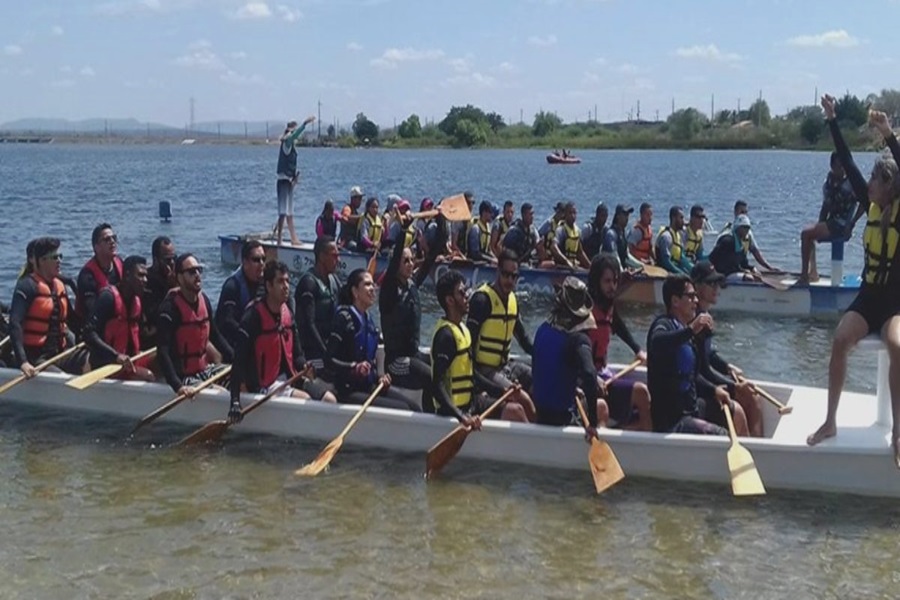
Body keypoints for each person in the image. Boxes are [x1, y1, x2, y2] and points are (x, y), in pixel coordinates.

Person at [807, 99, 900, 465]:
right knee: (841, 338)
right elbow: (845, 159)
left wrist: (888, 133)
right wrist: (832, 120)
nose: (869, 182)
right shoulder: (870, 202)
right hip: (868, 298)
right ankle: (830, 421)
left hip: (896, 303)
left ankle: (898, 432)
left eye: (876, 178)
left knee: (897, 345)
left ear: (890, 186)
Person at [228, 261, 336, 423]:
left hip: (289, 378)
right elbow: (238, 361)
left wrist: (305, 366)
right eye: (280, 281)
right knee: (305, 399)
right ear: (269, 286)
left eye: (287, 281)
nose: (286, 286)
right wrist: (235, 401)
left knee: (330, 399)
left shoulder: (288, 314)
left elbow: (298, 355)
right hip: (263, 385)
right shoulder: (252, 317)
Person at [647, 275, 748, 435]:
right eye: (690, 296)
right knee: (722, 436)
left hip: (691, 408)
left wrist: (714, 390)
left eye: (695, 296)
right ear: (675, 301)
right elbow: (657, 342)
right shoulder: (663, 325)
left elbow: (693, 377)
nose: (696, 300)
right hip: (672, 420)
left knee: (737, 412)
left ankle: (755, 458)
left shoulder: (687, 333)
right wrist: (691, 329)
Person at [431, 270, 527, 427]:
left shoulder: (463, 329)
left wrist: (501, 391)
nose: (467, 296)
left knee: (515, 408)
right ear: (450, 300)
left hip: (471, 403)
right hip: (453, 411)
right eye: (461, 293)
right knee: (514, 412)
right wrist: (462, 417)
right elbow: (437, 386)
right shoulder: (446, 336)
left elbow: (472, 374)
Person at [326, 269, 420, 411]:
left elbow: (371, 364)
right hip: (347, 390)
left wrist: (380, 378)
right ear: (355, 292)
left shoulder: (369, 321)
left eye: (373, 285)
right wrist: (353, 367)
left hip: (368, 386)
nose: (373, 289)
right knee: (404, 408)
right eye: (367, 285)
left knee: (414, 407)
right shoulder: (344, 319)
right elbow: (329, 361)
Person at [691, 260, 762, 436]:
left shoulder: (704, 314)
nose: (717, 288)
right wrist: (734, 386)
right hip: (699, 387)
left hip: (705, 378)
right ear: (697, 287)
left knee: (753, 396)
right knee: (750, 398)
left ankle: (756, 443)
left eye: (718, 283)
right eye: (711, 283)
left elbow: (708, 354)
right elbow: (701, 369)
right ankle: (757, 448)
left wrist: (727, 367)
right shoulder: (695, 320)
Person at [586, 254, 652, 431]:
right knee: (641, 393)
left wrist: (637, 349)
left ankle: (627, 432)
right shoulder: (584, 311)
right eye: (607, 281)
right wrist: (593, 378)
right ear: (596, 281)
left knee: (650, 394)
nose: (612, 287)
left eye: (615, 281)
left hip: (603, 374)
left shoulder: (608, 306)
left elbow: (617, 324)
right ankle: (646, 442)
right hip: (586, 381)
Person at [467, 250, 535, 419]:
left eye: (514, 276)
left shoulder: (513, 300)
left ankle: (540, 426)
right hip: (484, 370)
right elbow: (467, 347)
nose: (510, 281)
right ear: (498, 272)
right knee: (523, 399)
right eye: (506, 275)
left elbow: (525, 341)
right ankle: (535, 437)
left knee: (539, 380)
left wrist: (548, 357)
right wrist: (480, 384)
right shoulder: (482, 301)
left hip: (505, 366)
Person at [379, 213, 437, 410]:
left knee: (441, 365)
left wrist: (443, 223)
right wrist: (403, 230)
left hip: (413, 355)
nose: (411, 264)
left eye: (412, 260)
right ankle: (429, 419)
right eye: (406, 261)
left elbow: (432, 257)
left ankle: (438, 411)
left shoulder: (412, 285)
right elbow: (394, 259)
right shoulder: (388, 290)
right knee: (430, 376)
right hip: (396, 363)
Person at [531, 277, 604, 433]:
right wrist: (593, 423)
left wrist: (573, 388)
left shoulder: (542, 330)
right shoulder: (577, 340)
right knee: (602, 407)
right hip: (562, 419)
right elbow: (590, 375)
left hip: (540, 414)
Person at [8, 237, 86, 376]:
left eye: (60, 256)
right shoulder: (26, 286)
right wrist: (23, 362)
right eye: (54, 257)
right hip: (37, 360)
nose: (59, 261)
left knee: (92, 360)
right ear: (41, 260)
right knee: (63, 378)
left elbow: (73, 321)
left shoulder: (59, 286)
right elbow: (15, 324)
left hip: (60, 354)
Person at [156, 254, 232, 395]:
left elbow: (216, 336)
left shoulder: (204, 300)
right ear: (179, 277)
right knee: (221, 393)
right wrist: (177, 386)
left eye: (198, 270)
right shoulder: (169, 309)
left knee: (242, 377)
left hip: (204, 369)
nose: (197, 275)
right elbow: (163, 352)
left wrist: (236, 360)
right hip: (183, 377)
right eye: (191, 272)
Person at [82, 255, 155, 382]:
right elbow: (88, 334)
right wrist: (116, 356)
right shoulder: (108, 297)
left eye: (146, 276)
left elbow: (141, 334)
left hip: (130, 361)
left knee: (162, 359)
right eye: (140, 275)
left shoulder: (137, 301)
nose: (145, 280)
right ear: (127, 275)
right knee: (148, 376)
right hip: (108, 364)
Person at [799, 152, 863, 283]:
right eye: (839, 166)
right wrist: (820, 224)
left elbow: (864, 202)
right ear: (832, 166)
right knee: (809, 235)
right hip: (831, 222)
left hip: (842, 224)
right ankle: (813, 273)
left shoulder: (852, 183)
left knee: (805, 233)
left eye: (844, 166)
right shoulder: (829, 182)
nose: (842, 169)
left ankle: (804, 276)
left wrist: (852, 223)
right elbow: (825, 206)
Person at [294, 236, 341, 396]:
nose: (338, 259)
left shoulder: (333, 280)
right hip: (313, 352)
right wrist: (325, 353)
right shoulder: (308, 283)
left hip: (329, 348)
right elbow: (309, 323)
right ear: (321, 256)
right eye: (334, 256)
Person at [215, 240, 265, 350]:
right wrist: (249, 336)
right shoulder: (232, 286)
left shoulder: (266, 284)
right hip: (233, 343)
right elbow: (227, 322)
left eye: (263, 259)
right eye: (256, 260)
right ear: (245, 262)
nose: (261, 263)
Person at [74, 223, 123, 332]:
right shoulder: (87, 275)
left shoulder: (119, 263)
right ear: (96, 247)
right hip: (96, 328)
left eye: (114, 238)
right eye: (107, 240)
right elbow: (91, 311)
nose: (112, 242)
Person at [275, 116, 315, 246]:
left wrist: (295, 178)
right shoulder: (287, 142)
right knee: (283, 212)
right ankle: (279, 240)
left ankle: (293, 238)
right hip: (283, 181)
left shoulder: (289, 144)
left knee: (290, 213)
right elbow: (294, 135)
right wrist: (304, 124)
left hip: (289, 181)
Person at [719, 200, 777, 272]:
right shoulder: (728, 233)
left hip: (740, 266)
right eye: (742, 212)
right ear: (735, 212)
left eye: (746, 212)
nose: (744, 215)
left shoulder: (748, 233)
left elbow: (755, 252)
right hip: (728, 269)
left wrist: (769, 268)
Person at [142, 236, 176, 349]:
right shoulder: (146, 281)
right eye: (167, 260)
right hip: (153, 336)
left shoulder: (175, 278)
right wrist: (171, 289)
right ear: (156, 260)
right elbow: (154, 314)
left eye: (173, 258)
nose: (171, 263)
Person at [709, 214, 761, 282]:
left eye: (748, 228)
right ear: (738, 228)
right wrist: (743, 271)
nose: (747, 230)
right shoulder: (727, 241)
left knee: (757, 273)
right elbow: (724, 265)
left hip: (732, 272)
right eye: (744, 227)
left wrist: (752, 268)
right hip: (724, 274)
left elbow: (744, 263)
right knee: (749, 278)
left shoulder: (740, 244)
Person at [655, 206, 693, 275]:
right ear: (673, 218)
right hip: (665, 272)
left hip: (675, 268)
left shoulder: (678, 235)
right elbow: (666, 262)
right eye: (681, 218)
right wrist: (681, 274)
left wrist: (693, 269)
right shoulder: (667, 237)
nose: (683, 221)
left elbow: (681, 258)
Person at [552, 202, 590, 269]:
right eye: (570, 213)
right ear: (565, 214)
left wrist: (590, 267)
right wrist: (566, 261)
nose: (572, 215)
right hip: (561, 267)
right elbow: (554, 248)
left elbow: (580, 252)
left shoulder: (577, 231)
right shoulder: (561, 230)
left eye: (574, 213)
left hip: (573, 266)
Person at [607, 204, 643, 271]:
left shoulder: (623, 233)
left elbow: (627, 256)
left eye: (628, 215)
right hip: (609, 271)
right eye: (624, 215)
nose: (627, 218)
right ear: (618, 216)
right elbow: (614, 257)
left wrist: (641, 265)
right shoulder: (611, 234)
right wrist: (622, 271)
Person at [339, 186, 365, 250]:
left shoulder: (356, 212)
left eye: (361, 198)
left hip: (354, 240)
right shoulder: (347, 208)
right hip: (346, 242)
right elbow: (346, 217)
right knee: (355, 246)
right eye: (359, 198)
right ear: (353, 199)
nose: (360, 201)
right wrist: (361, 217)